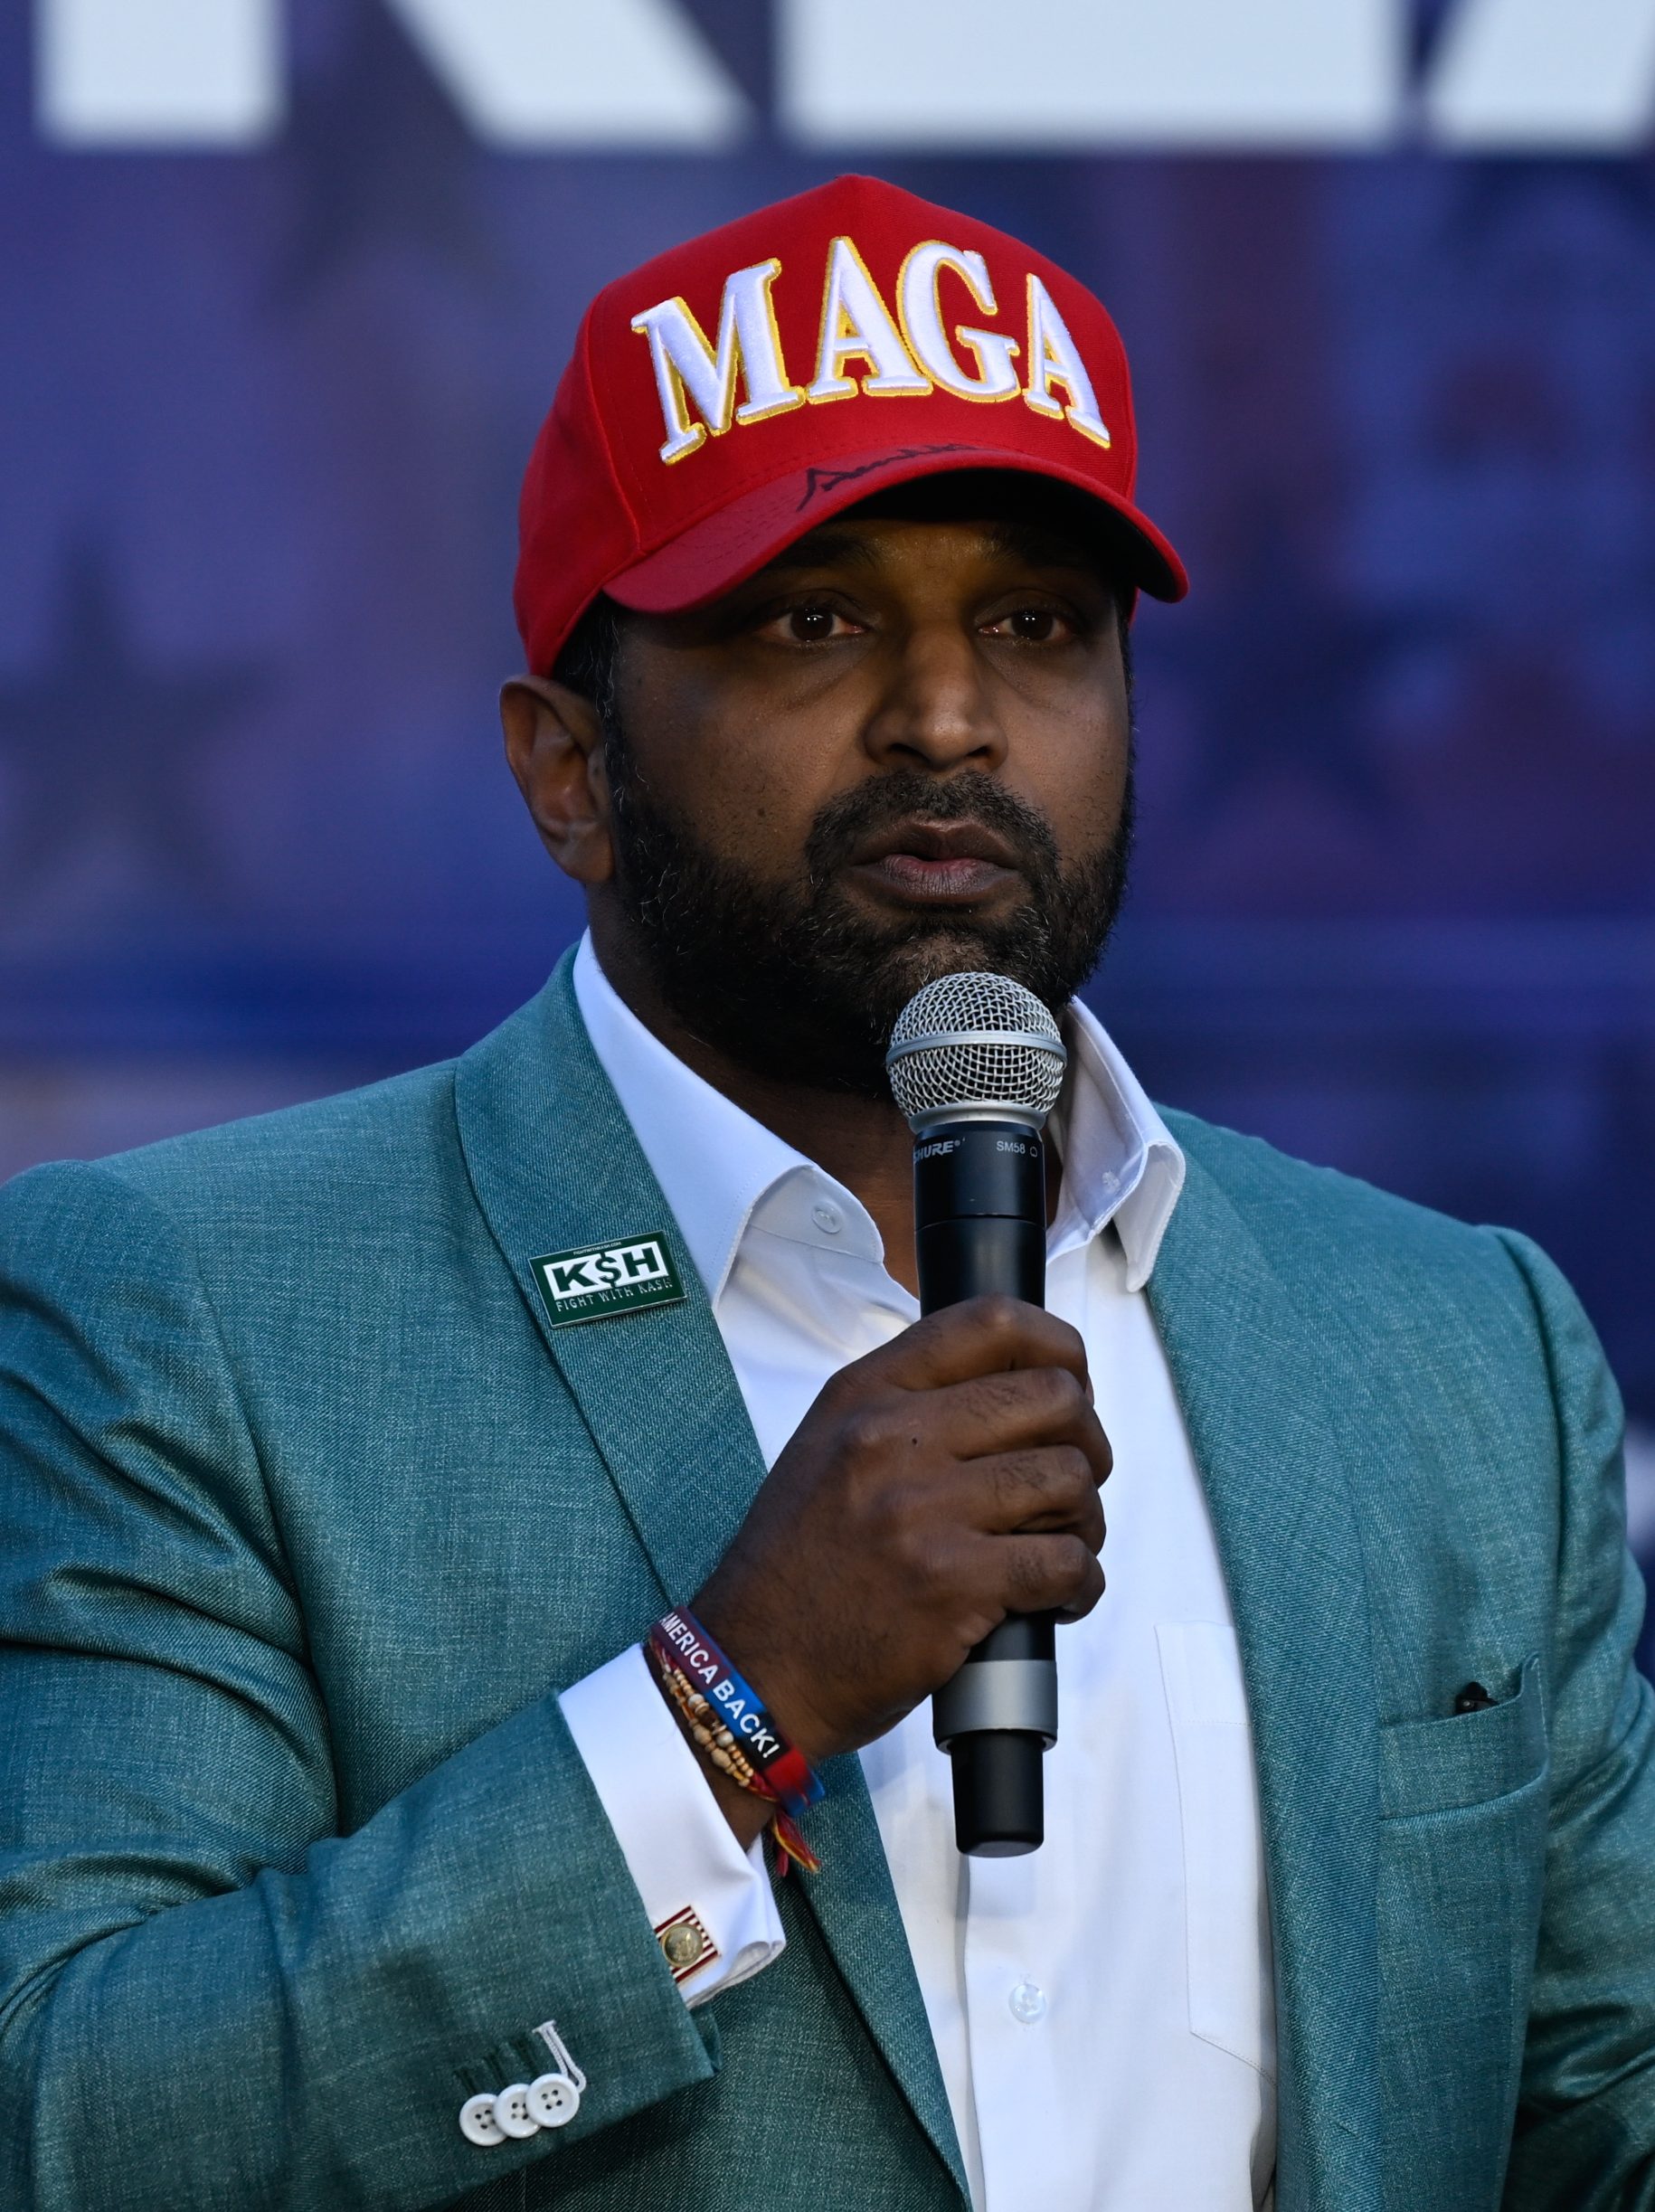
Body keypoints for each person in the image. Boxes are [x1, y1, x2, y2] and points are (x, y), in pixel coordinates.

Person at [1, 173, 1652, 2212]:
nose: (947, 716)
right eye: (814, 618)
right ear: (567, 770)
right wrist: (726, 1707)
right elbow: (67, 2124)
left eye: (1037, 622)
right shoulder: (183, 1304)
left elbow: (1599, 2113)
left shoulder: (1451, 1343)